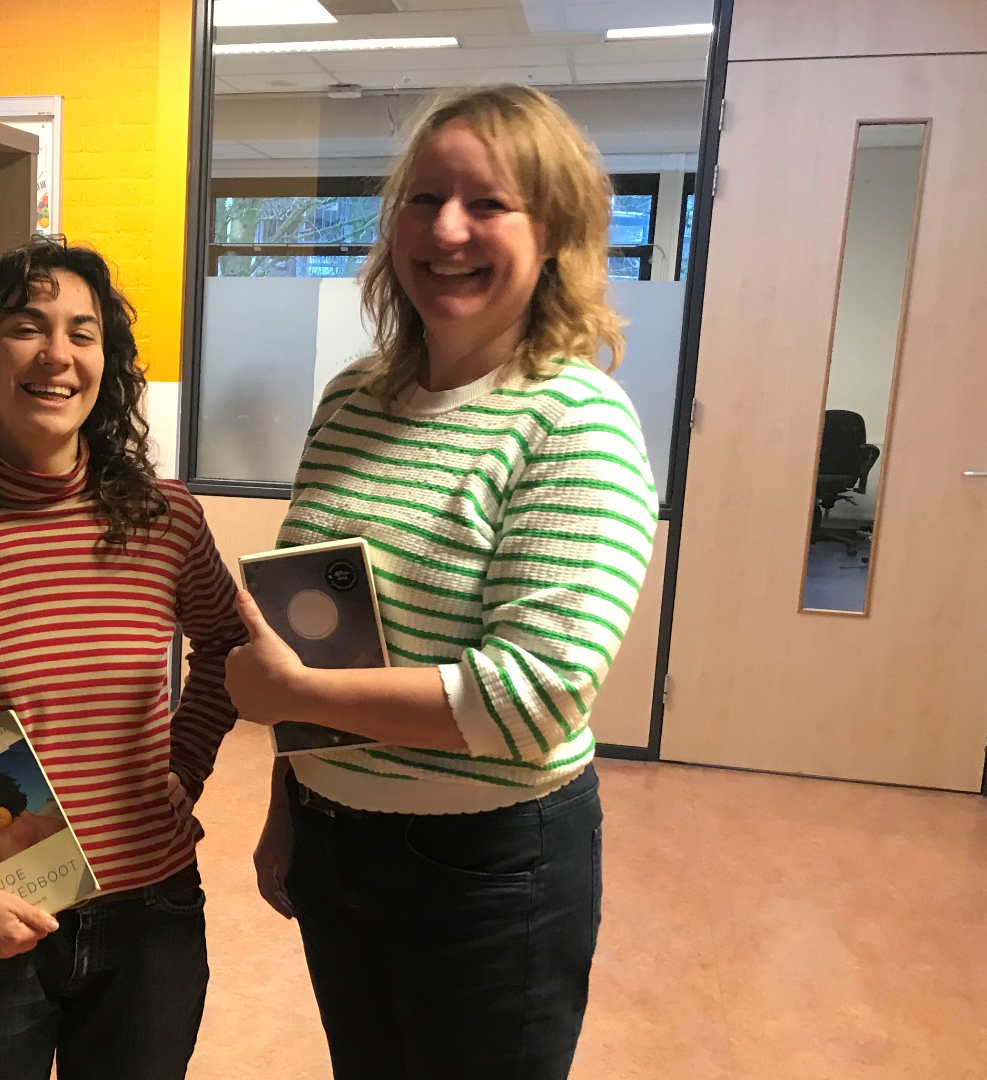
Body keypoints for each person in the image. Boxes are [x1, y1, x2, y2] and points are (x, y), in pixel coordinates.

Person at [225, 85, 660, 1080]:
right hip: (340, 842)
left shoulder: (572, 423)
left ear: (552, 233)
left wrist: (292, 698)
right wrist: (293, 805)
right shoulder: (352, 401)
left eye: (487, 203)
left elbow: (536, 697)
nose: (446, 230)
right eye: (423, 200)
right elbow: (321, 622)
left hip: (487, 869)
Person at [0, 238, 247, 1080]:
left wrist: (186, 763)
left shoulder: (166, 522)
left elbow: (225, 646)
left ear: (107, 361)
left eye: (83, 331)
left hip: (152, 919)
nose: (57, 355)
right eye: (28, 328)